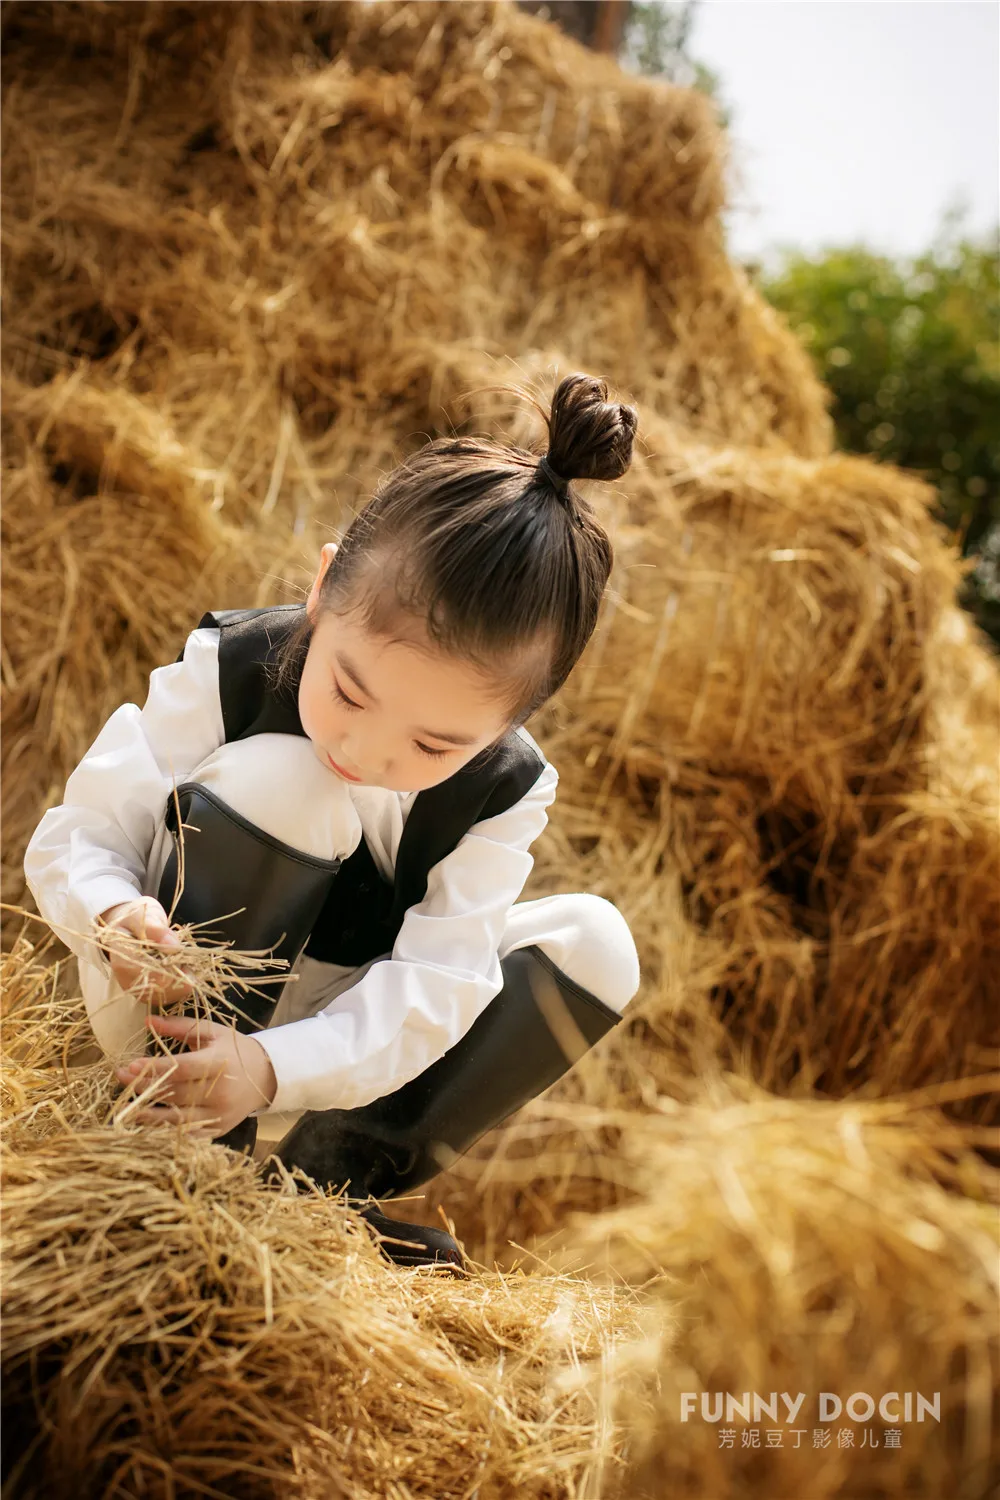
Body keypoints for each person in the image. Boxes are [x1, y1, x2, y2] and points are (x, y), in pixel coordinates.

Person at [23, 371, 642, 1268]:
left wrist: (272, 1070)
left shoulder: (509, 788)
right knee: (293, 778)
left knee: (598, 943)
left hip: (323, 1060)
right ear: (321, 590)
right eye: (349, 688)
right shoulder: (232, 665)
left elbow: (438, 983)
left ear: (513, 722)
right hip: (169, 1020)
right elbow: (82, 832)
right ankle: (184, 1151)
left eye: (436, 745)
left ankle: (320, 1197)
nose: (372, 750)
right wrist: (112, 912)